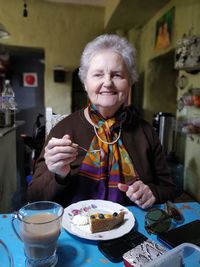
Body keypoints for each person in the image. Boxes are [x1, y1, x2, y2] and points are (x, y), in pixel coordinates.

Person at [28, 34, 176, 209]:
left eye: (117, 75)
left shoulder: (146, 132)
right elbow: (34, 196)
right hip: (75, 230)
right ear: (85, 83)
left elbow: (169, 189)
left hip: (132, 230)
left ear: (129, 83)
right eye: (98, 74)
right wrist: (58, 174)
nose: (107, 82)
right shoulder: (63, 130)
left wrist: (151, 192)